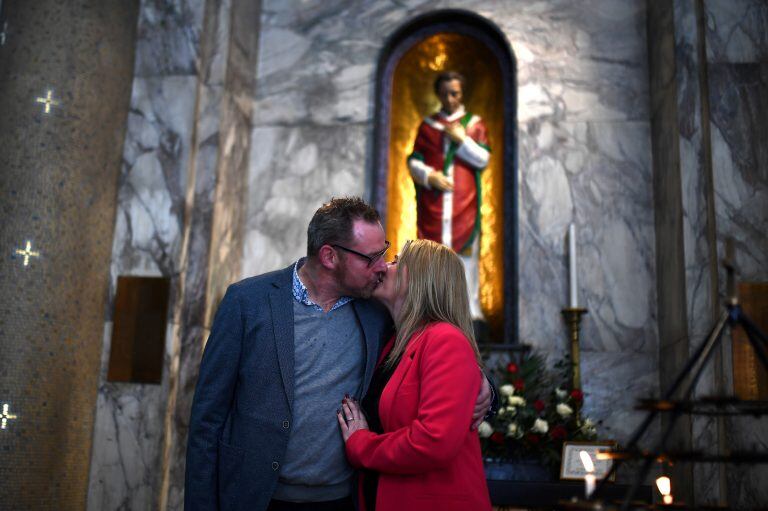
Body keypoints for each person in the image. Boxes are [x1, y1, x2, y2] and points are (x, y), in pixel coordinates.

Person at [185, 197, 493, 511]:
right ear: (330, 256)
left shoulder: (376, 313)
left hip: (341, 500)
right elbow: (208, 418)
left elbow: (440, 347)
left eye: (385, 254)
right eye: (371, 258)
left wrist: (484, 386)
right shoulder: (248, 302)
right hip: (256, 497)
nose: (381, 267)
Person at [338, 239, 492, 511]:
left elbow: (434, 441)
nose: (385, 266)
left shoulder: (446, 340)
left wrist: (362, 445)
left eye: (397, 261)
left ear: (422, 280)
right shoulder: (396, 342)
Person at [407, 71, 490, 320]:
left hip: (463, 203)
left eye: (455, 93)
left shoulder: (474, 124)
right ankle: (432, 309)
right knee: (433, 256)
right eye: (444, 94)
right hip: (434, 205)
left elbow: (483, 159)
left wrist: (462, 140)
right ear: (438, 95)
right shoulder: (428, 125)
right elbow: (414, 161)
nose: (450, 99)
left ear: (462, 93)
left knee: (466, 255)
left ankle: (469, 310)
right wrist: (429, 177)